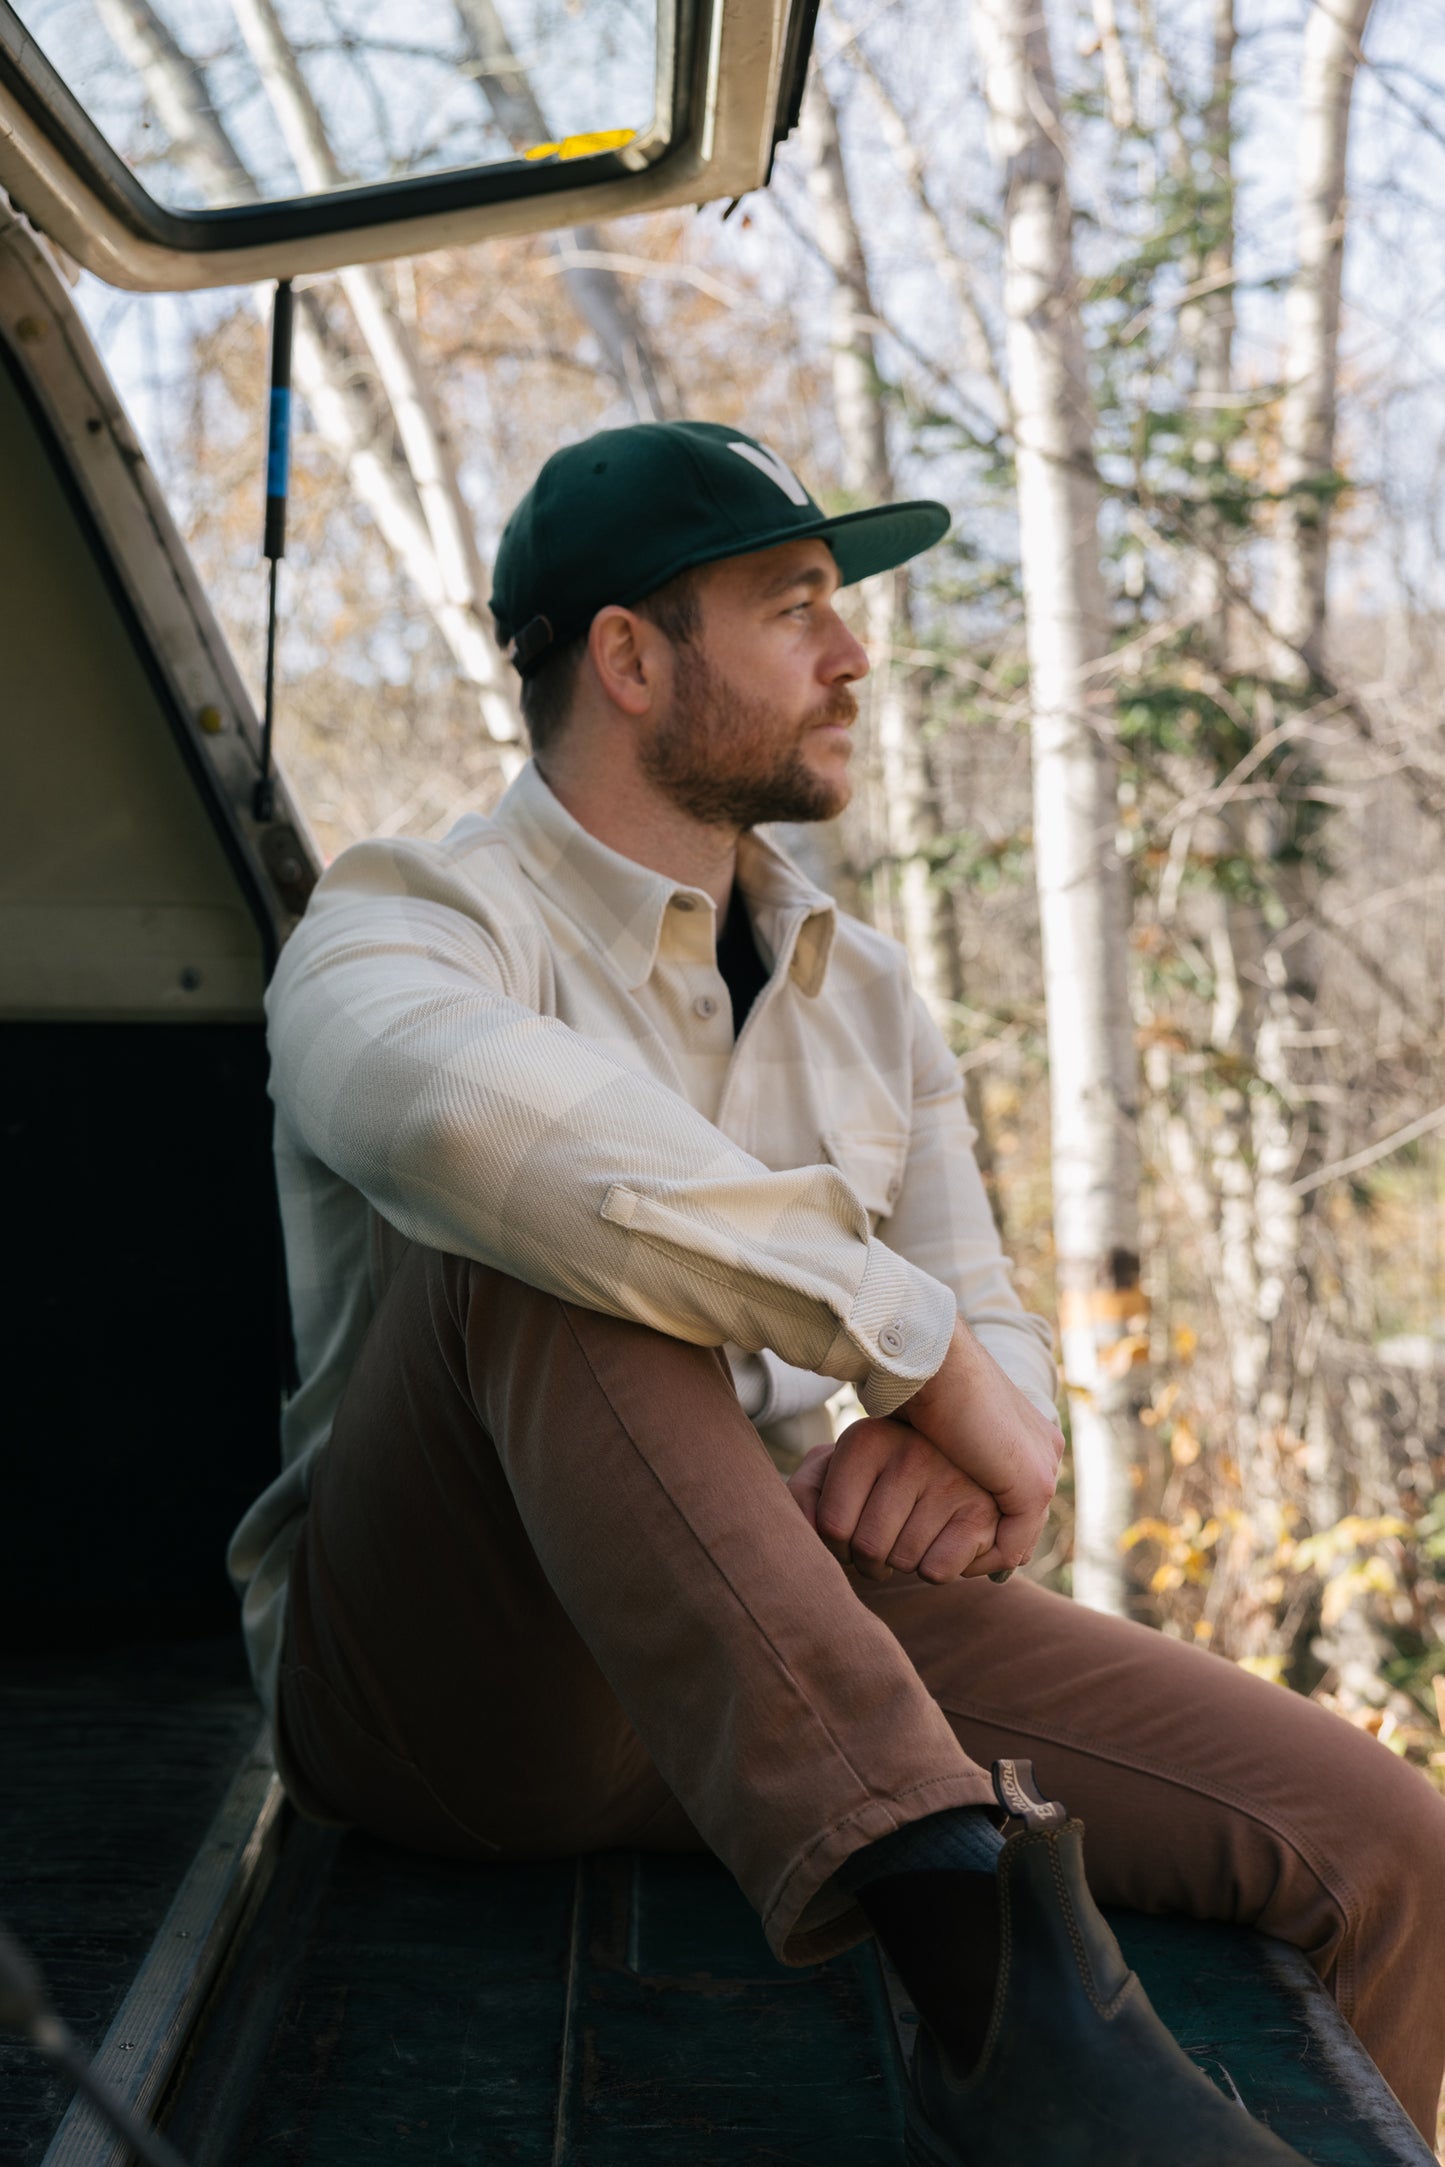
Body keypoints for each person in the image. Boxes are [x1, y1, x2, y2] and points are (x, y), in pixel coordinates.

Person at [229, 421, 1445, 2163]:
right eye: (795, 604)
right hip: (462, 1684)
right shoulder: (399, 921)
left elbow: (984, 1323)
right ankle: (981, 1980)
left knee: (1379, 1842)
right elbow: (458, 1114)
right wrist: (906, 1344)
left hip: (806, 1620)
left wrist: (957, 1431)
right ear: (630, 659)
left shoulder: (861, 987)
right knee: (546, 1220)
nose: (855, 650)